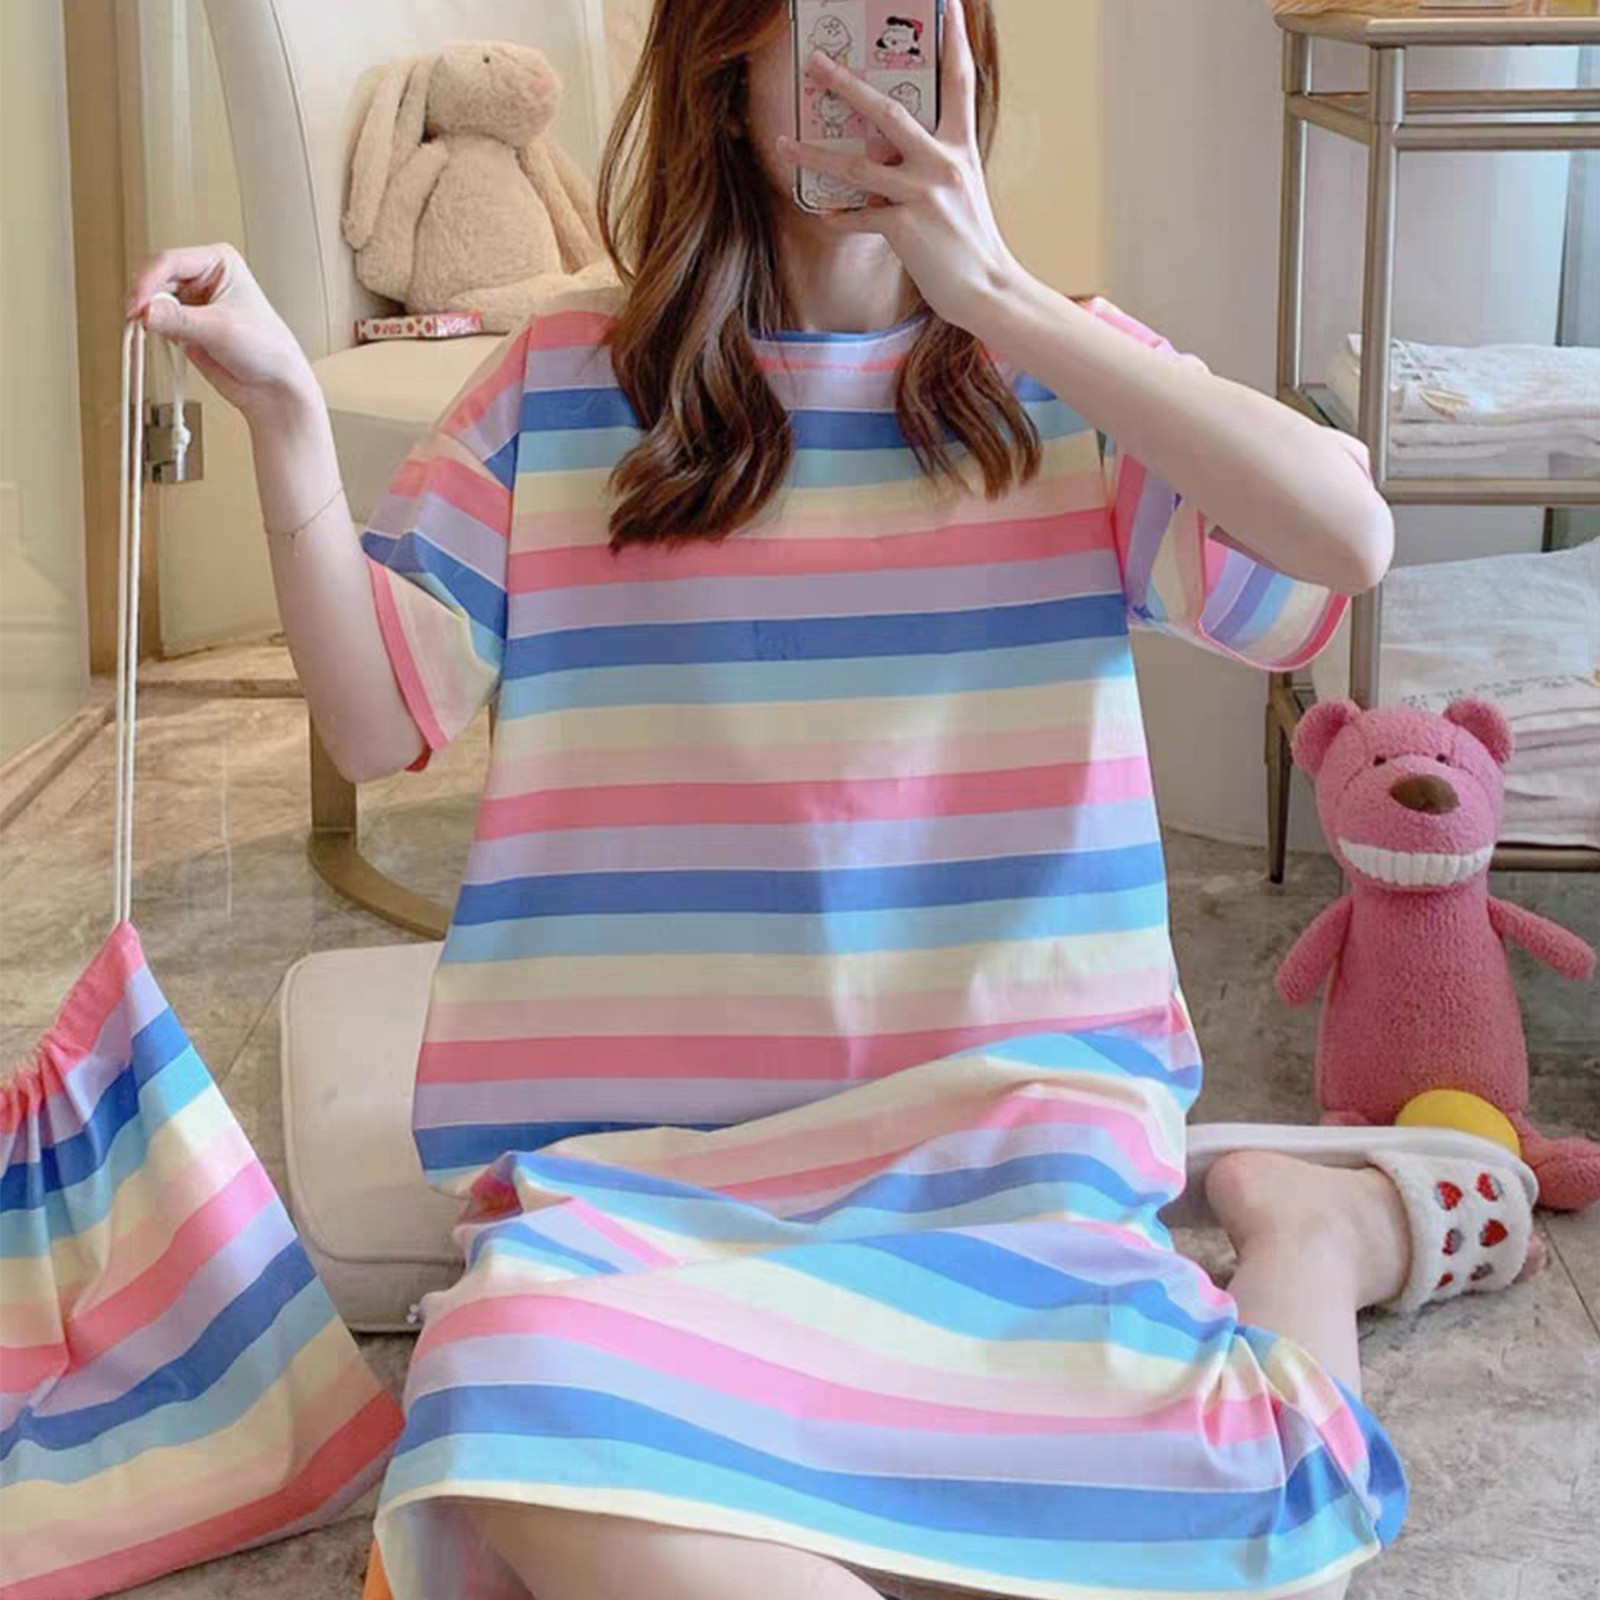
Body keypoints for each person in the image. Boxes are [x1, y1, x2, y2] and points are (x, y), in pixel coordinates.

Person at [125, 3, 1545, 1597]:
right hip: (643, 1199)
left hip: (1004, 1171)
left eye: (905, 24)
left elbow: (1347, 546)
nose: (868, 75)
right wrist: (285, 418)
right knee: (511, 1403)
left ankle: (1309, 1238)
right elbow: (379, 720)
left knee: (1270, 1560)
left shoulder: (1061, 379)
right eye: (822, 28)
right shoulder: (565, 383)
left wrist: (1000, 296)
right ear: (726, 73)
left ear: (963, 57)